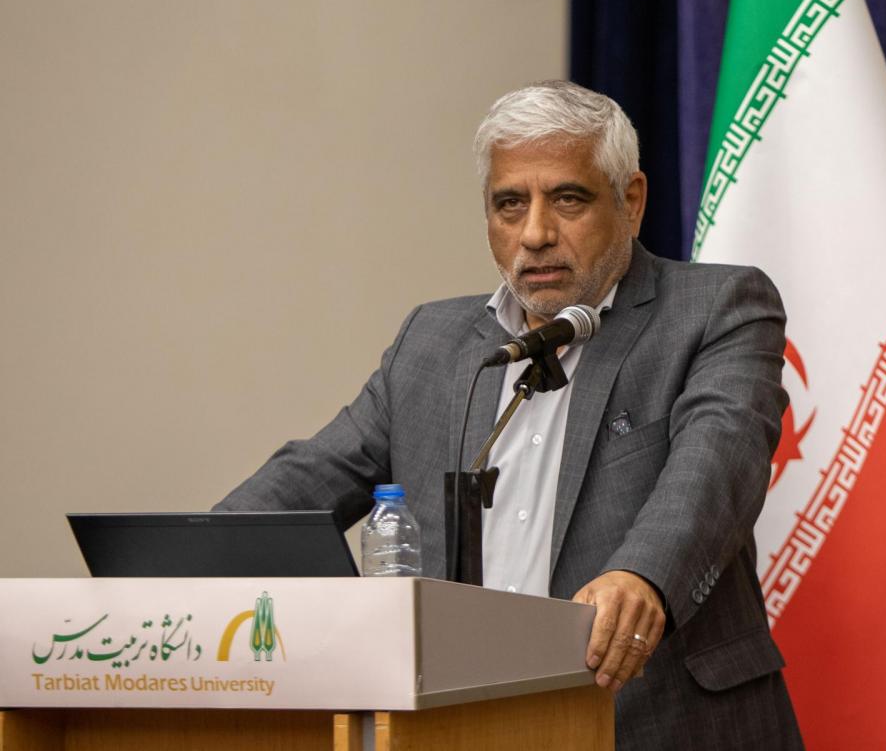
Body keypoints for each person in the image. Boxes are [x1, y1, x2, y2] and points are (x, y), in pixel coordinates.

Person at [216, 80, 802, 748]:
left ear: (631, 200)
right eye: (510, 203)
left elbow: (716, 466)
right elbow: (311, 476)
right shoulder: (433, 343)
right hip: (465, 729)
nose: (536, 234)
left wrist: (641, 575)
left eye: (568, 199)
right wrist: (181, 558)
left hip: (661, 722)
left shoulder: (715, 308)